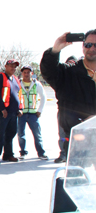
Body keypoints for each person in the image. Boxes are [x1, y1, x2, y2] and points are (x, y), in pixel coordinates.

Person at [41, 30, 96, 160]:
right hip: (77, 146)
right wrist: (55, 49)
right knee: (78, 179)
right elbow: (49, 71)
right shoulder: (68, 74)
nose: (92, 48)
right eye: (88, 45)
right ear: (83, 46)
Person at [0, 59, 24, 164]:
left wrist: (20, 108)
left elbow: (19, 95)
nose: (13, 68)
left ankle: (8, 154)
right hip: (3, 112)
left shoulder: (15, 79)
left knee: (11, 133)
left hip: (13, 112)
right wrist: (2, 109)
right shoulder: (0, 77)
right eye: (11, 66)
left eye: (14, 67)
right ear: (6, 66)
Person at [16, 65, 48, 160]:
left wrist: (39, 110)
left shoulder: (36, 84)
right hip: (21, 113)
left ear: (32, 73)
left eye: (28, 72)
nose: (26, 74)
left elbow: (43, 97)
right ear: (22, 73)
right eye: (24, 72)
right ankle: (23, 152)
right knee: (21, 134)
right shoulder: (18, 84)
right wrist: (17, 110)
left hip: (33, 114)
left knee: (37, 134)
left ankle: (41, 153)